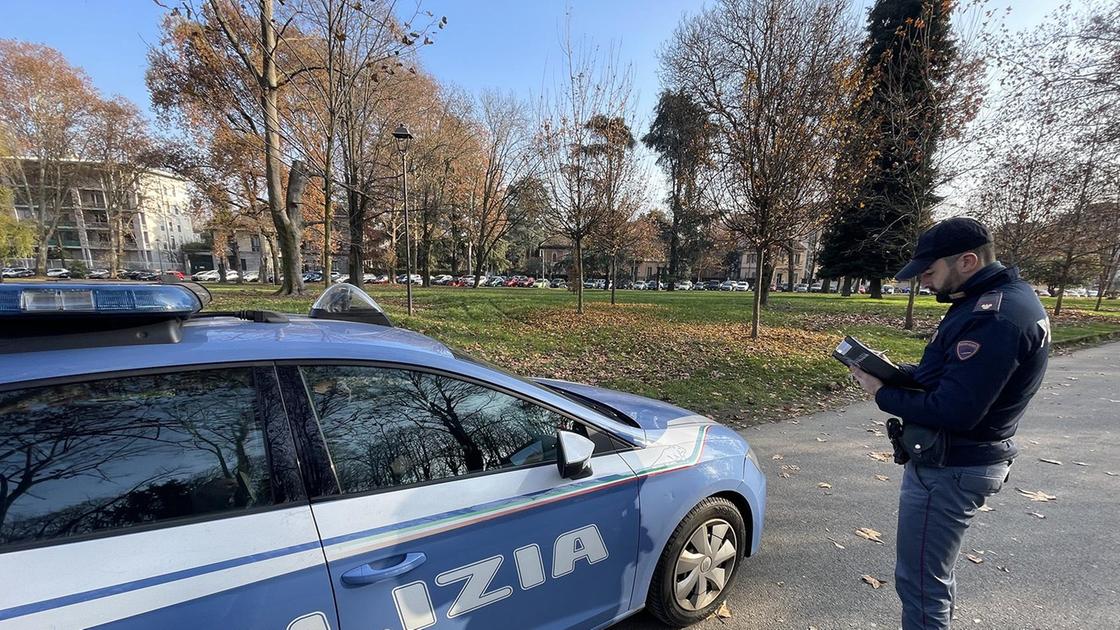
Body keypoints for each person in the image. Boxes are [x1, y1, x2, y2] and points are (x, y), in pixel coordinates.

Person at [849, 217, 1051, 630]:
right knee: (928, 579)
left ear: (967, 261)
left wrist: (880, 393)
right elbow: (951, 376)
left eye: (929, 271)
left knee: (922, 584)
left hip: (952, 467)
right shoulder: (994, 300)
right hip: (957, 461)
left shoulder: (995, 317)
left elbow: (955, 410)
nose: (923, 282)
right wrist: (895, 372)